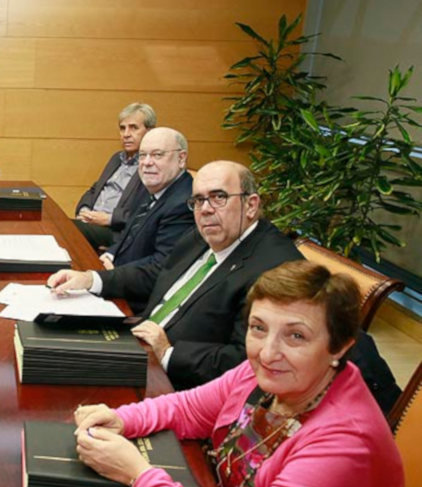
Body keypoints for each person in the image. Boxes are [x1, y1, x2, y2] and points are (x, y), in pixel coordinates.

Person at [72, 260, 403, 487]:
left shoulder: (346, 445)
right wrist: (122, 418)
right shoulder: (270, 373)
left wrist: (138, 474)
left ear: (339, 348)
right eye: (258, 328)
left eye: (296, 336)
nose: (268, 352)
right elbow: (189, 409)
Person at [49, 161, 303, 387]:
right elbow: (157, 274)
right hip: (135, 344)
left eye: (218, 197)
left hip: (175, 382)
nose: (205, 209)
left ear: (251, 205)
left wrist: (169, 353)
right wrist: (91, 279)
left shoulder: (276, 270)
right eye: (198, 200)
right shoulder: (206, 233)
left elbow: (246, 361)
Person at [97, 126, 194, 271]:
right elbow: (128, 235)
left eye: (157, 155)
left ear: (181, 158)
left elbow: (160, 267)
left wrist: (111, 276)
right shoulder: (151, 187)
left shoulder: (183, 203)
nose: (147, 162)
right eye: (142, 155)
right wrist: (110, 255)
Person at [74, 103, 154, 248]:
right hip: (92, 222)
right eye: (122, 128)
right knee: (57, 224)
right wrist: (84, 210)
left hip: (116, 231)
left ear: (149, 131)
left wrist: (109, 219)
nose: (126, 134)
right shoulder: (117, 158)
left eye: (134, 128)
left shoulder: (151, 165)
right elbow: (95, 189)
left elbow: (147, 209)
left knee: (66, 229)